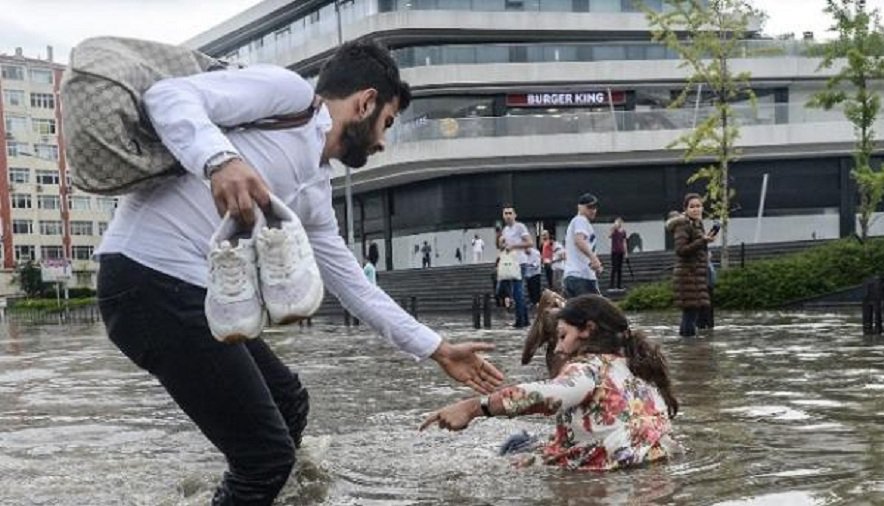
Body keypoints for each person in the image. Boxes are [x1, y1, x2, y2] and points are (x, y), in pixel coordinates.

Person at [95, 41, 503, 505]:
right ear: (365, 102)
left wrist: (437, 348)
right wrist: (219, 161)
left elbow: (352, 284)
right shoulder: (287, 93)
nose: (383, 140)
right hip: (147, 281)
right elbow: (166, 96)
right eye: (387, 123)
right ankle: (250, 485)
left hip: (193, 295)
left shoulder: (314, 188)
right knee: (264, 458)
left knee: (289, 402)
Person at [420, 294, 681, 472]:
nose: (559, 347)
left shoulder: (589, 369)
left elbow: (546, 393)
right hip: (654, 464)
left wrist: (474, 407)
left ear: (587, 330)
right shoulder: (639, 366)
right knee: (533, 444)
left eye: (563, 336)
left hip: (611, 474)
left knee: (515, 447)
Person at [666, 194, 716, 337]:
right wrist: (703, 241)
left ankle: (690, 351)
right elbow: (681, 250)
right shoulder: (683, 225)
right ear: (686, 209)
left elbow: (696, 248)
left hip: (697, 275)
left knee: (693, 314)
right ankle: (688, 351)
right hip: (687, 275)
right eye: (692, 206)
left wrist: (705, 249)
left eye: (698, 206)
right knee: (689, 314)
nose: (696, 209)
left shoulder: (697, 224)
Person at [563, 193, 603, 298]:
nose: (593, 210)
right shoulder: (580, 219)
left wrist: (594, 262)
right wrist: (594, 258)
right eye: (589, 207)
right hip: (581, 276)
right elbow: (579, 240)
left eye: (595, 207)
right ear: (579, 207)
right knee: (595, 312)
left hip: (575, 276)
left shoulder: (577, 222)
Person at [500, 205, 533, 328]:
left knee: (518, 292)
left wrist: (514, 246)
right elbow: (503, 245)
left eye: (510, 213)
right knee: (516, 292)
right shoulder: (505, 230)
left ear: (515, 215)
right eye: (505, 213)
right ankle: (525, 320)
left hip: (520, 262)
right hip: (511, 263)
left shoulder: (520, 227)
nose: (508, 216)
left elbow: (529, 242)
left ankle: (520, 321)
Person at [608, 217, 627, 290]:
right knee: (614, 268)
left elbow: (624, 242)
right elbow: (609, 236)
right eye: (617, 222)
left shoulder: (623, 231)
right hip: (614, 251)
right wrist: (614, 227)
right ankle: (611, 285)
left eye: (620, 222)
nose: (619, 223)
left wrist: (626, 252)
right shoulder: (613, 229)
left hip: (621, 251)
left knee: (619, 269)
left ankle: (619, 285)